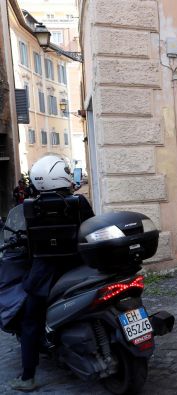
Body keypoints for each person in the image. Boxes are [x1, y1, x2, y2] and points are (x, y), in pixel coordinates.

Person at [9, 155, 94, 391]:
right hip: (79, 268)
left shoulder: (30, 207)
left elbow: (28, 242)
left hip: (44, 276)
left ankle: (28, 377)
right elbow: (91, 227)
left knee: (29, 320)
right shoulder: (79, 202)